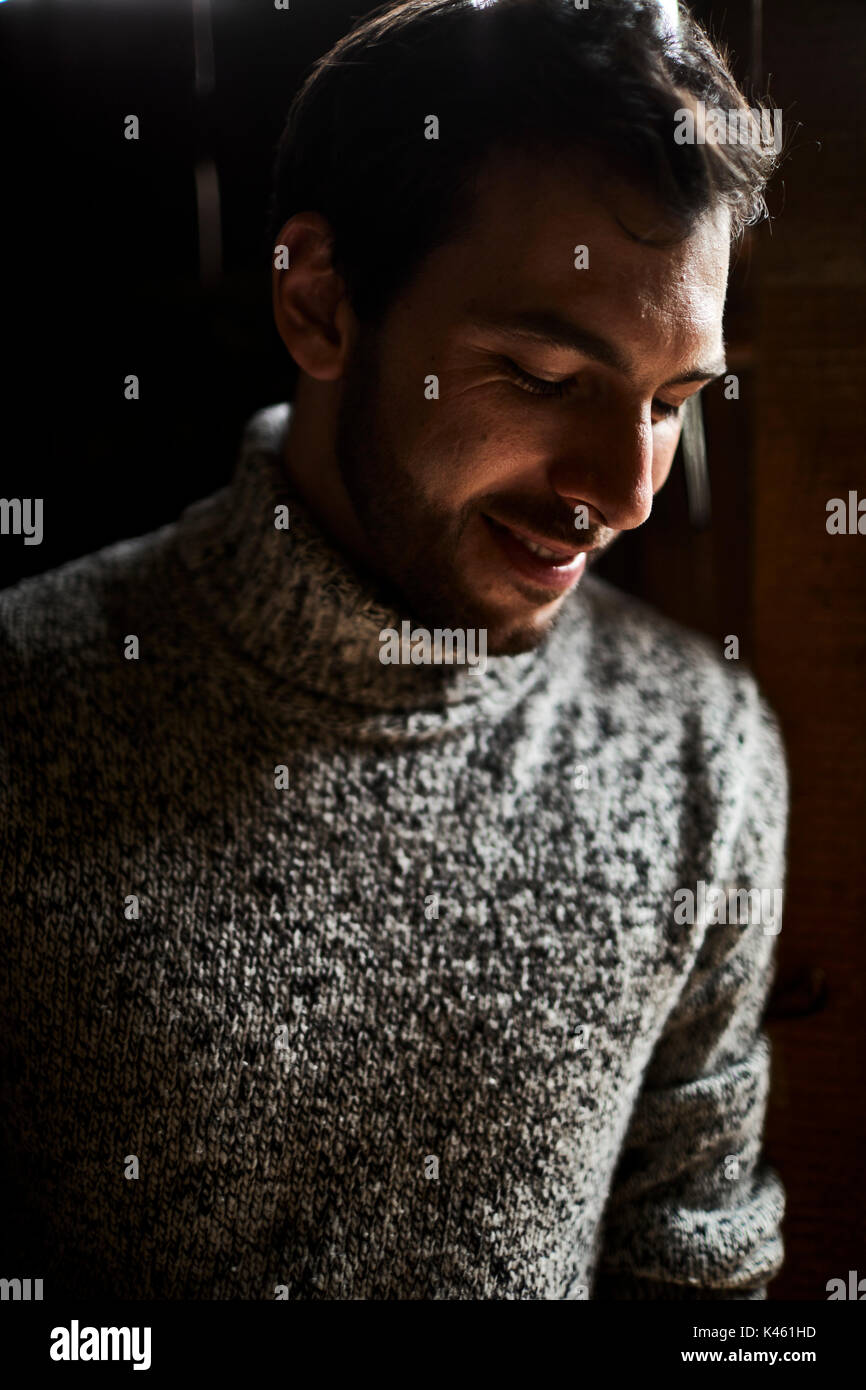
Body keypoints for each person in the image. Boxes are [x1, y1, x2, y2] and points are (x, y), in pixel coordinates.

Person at [0, 0, 787, 1299]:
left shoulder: (704, 750)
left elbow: (695, 1262)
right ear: (318, 304)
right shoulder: (28, 710)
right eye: (541, 374)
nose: (625, 489)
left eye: (668, 401)